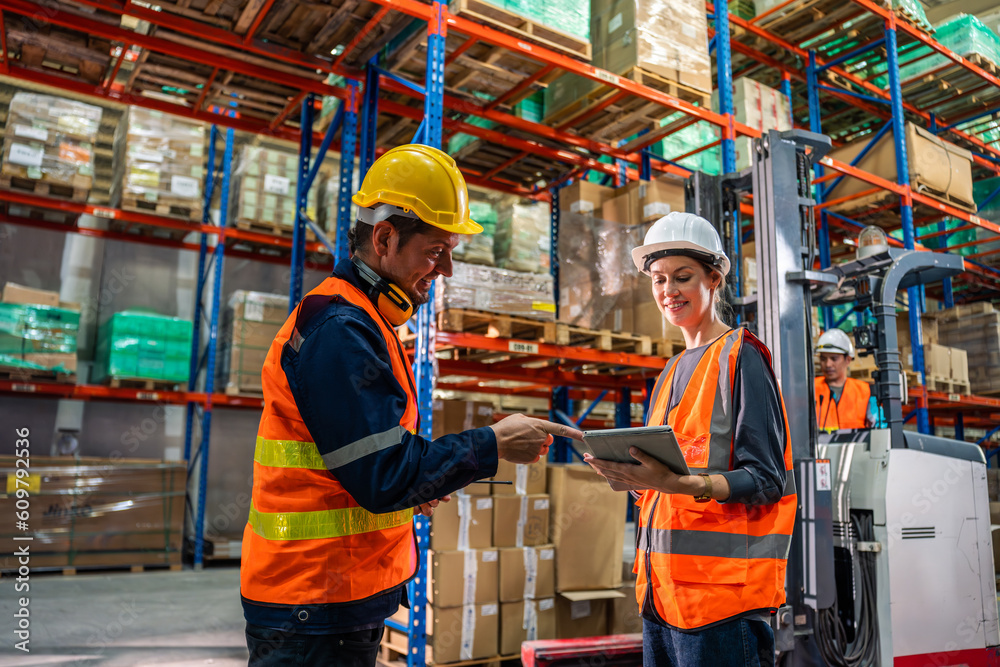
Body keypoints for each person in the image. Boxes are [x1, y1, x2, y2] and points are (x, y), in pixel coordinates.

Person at [239, 143, 582, 667]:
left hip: (330, 597)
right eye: (435, 250)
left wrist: (414, 484)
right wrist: (492, 444)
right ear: (384, 238)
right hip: (311, 604)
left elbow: (371, 463)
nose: (444, 268)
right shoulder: (342, 331)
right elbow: (383, 475)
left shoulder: (363, 322)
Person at [584, 212, 796, 667]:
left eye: (682, 277)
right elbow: (670, 475)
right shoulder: (670, 372)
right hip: (661, 597)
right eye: (659, 279)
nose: (668, 291)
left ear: (714, 278)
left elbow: (766, 478)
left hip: (721, 604)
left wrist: (683, 485)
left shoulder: (743, 357)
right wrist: (633, 477)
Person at [814, 328, 872, 431]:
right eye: (823, 359)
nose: (828, 364)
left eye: (834, 359)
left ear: (848, 360)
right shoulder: (811, 388)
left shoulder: (864, 391)